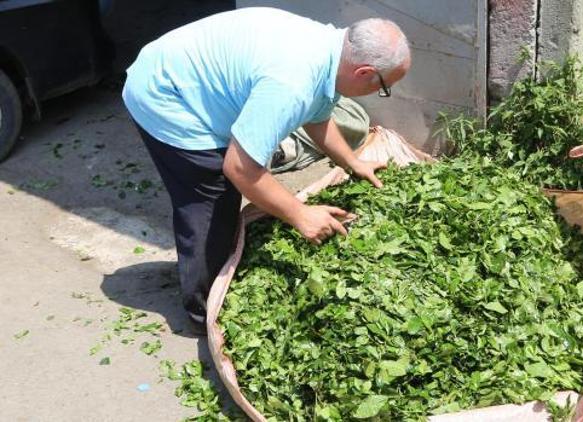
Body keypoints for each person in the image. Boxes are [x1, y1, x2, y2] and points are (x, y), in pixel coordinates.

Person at [121, 7, 411, 334]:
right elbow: (240, 168)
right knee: (213, 197)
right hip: (167, 96)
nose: (381, 93)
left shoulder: (330, 51)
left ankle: (217, 280)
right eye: (384, 87)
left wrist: (352, 162)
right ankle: (203, 311)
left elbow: (318, 116)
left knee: (234, 177)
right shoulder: (294, 82)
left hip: (188, 75)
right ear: (364, 72)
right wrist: (301, 215)